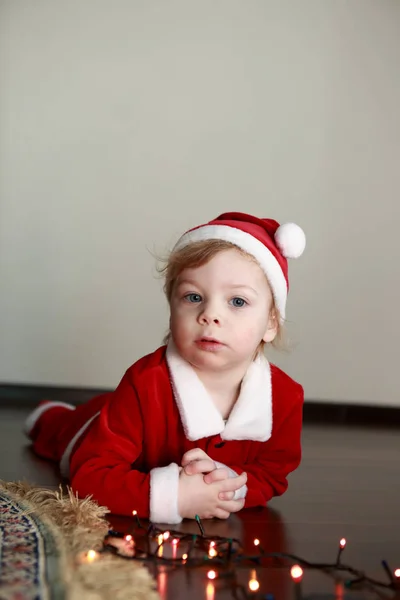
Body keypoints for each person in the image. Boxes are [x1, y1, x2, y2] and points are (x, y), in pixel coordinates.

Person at [24, 212, 306, 524]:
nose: (210, 314)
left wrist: (227, 486)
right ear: (172, 308)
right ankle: (48, 415)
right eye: (193, 297)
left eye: (237, 302)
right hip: (94, 426)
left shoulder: (284, 397)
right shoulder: (145, 382)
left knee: (104, 413)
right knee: (63, 428)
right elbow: (89, 474)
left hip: (127, 422)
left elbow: (271, 474)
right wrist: (174, 497)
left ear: (271, 322)